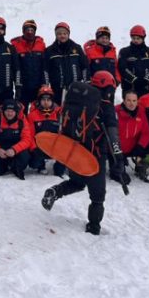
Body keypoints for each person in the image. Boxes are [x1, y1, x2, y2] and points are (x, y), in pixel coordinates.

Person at [40, 81, 128, 236]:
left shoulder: (77, 100)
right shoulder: (106, 107)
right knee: (97, 196)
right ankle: (94, 227)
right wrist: (119, 159)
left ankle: (54, 191)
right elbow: (113, 136)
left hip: (74, 149)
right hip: (95, 156)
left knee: (77, 182)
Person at [0, 99, 35, 179]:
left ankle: (14, 165)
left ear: (16, 112)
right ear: (3, 111)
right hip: (0, 149)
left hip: (16, 149)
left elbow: (27, 139)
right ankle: (4, 164)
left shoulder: (22, 120)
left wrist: (14, 150)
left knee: (24, 158)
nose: (9, 113)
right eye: (7, 111)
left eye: (12, 111)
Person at [116, 89, 149, 183]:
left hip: (133, 147)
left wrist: (141, 146)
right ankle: (117, 166)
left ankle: (141, 168)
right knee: (122, 178)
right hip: (117, 149)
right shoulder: (115, 111)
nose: (131, 103)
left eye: (134, 101)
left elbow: (146, 132)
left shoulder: (141, 112)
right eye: (128, 100)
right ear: (124, 100)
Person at [45, 21, 87, 104]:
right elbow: (45, 69)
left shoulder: (77, 48)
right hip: (57, 88)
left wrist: (87, 81)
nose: (62, 36)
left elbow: (84, 66)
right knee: (58, 112)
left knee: (74, 111)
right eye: (59, 34)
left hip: (75, 88)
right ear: (56, 35)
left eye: (65, 33)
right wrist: (46, 84)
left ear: (68, 34)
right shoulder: (49, 50)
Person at [12, 20, 49, 106]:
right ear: (23, 31)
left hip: (38, 86)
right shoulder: (16, 45)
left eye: (32, 30)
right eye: (27, 30)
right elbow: (15, 67)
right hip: (23, 86)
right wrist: (18, 85)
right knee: (21, 112)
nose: (29, 32)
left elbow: (44, 66)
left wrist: (45, 83)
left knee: (37, 112)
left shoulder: (41, 45)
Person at [27, 85, 62, 175]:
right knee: (34, 163)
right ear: (39, 101)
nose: (46, 102)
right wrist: (34, 149)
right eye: (43, 100)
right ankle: (40, 165)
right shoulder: (32, 115)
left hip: (56, 145)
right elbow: (29, 135)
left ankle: (60, 165)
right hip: (40, 146)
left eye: (48, 100)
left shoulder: (60, 114)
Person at [117, 25, 149, 96]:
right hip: (129, 88)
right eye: (133, 38)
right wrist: (133, 79)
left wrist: (147, 79)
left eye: (138, 38)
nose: (135, 40)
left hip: (146, 87)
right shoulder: (124, 51)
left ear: (143, 38)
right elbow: (122, 68)